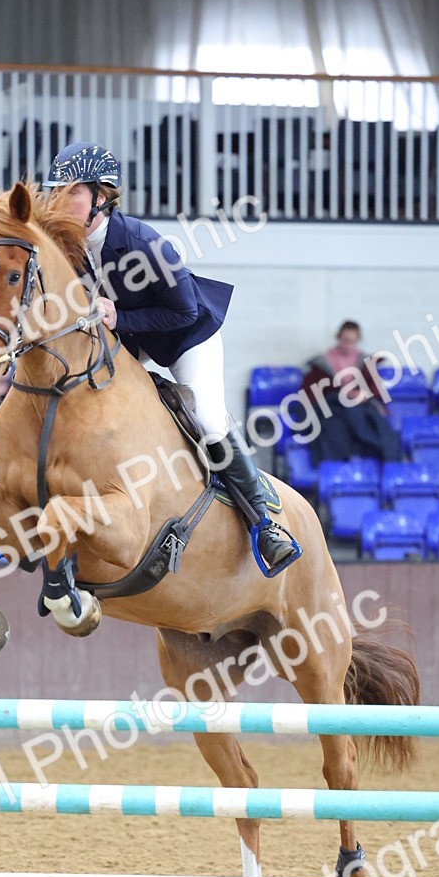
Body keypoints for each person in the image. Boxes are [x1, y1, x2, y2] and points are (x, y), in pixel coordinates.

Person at [42, 142, 299, 573]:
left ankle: (264, 525)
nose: (58, 201)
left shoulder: (143, 242)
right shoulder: (66, 244)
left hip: (185, 335)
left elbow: (184, 310)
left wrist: (118, 313)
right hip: (129, 336)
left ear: (100, 198)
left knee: (210, 421)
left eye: (70, 192)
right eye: (55, 191)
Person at [302, 321, 401, 464]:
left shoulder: (366, 363)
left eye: (353, 342)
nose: (348, 346)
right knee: (332, 426)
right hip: (332, 409)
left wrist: (363, 395)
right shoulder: (321, 364)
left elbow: (375, 389)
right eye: (345, 341)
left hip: (359, 408)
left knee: (375, 428)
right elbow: (310, 393)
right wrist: (344, 395)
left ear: (358, 340)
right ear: (338, 337)